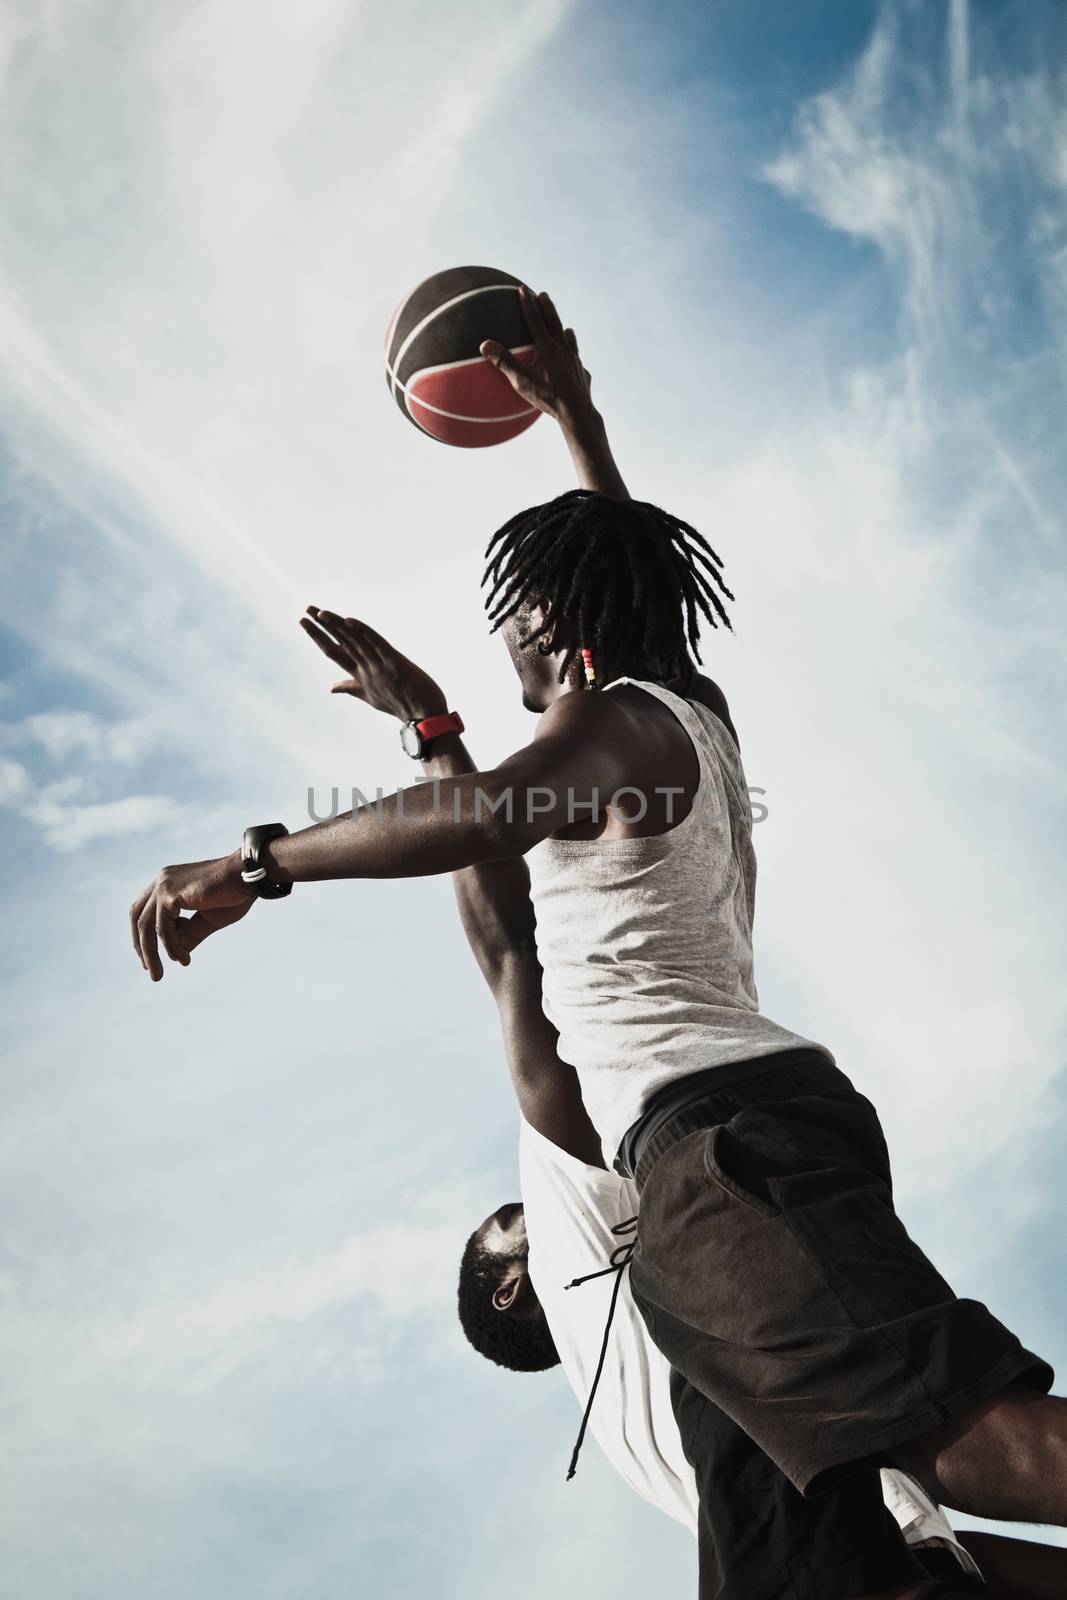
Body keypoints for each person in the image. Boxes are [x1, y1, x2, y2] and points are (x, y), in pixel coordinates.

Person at [130, 287, 1066, 1600]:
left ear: (563, 639)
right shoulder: (672, 709)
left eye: (513, 605)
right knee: (902, 1554)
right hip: (732, 1146)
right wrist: (574, 422)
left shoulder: (614, 725)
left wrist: (257, 860)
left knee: (951, 1441)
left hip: (717, 1146)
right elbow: (581, 704)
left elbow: (480, 824)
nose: (500, 624)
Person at [300, 605, 992, 1593]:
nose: (520, 1200)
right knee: (966, 1434)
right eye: (507, 1222)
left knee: (964, 1439)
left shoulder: (646, 1428)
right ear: (513, 1288)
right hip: (870, 1543)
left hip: (859, 1552)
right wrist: (433, 735)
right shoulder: (589, 1224)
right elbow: (510, 954)